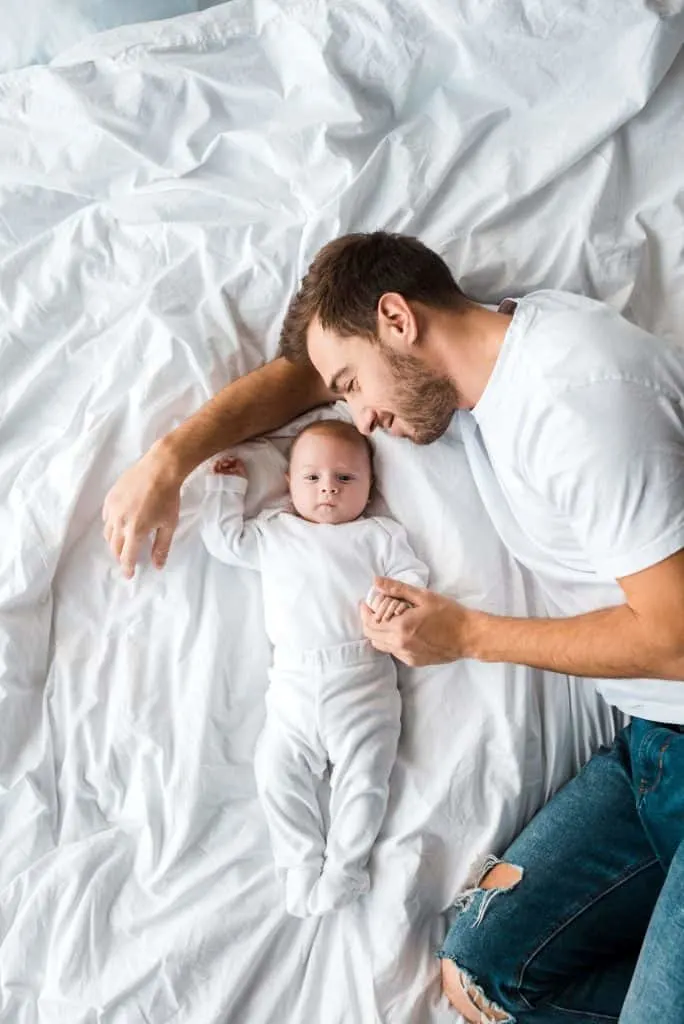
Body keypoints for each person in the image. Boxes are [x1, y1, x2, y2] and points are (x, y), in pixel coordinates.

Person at [103, 232, 684, 1022]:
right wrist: (170, 458)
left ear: (397, 318)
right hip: (656, 746)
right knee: (480, 980)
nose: (362, 420)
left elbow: (676, 641)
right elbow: (303, 374)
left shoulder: (574, 396)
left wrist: (469, 635)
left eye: (352, 387)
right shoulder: (488, 355)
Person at [201, 418, 428, 917]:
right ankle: (300, 863)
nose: (328, 487)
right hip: (293, 686)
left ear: (371, 487)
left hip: (363, 679)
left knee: (365, 779)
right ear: (289, 483)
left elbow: (413, 576)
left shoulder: (379, 534)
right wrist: (225, 487)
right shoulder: (275, 532)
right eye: (312, 478)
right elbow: (224, 541)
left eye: (346, 479)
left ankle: (346, 868)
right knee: (274, 770)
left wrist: (393, 600)